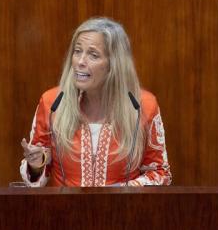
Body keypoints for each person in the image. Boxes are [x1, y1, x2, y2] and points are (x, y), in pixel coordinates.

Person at [20, 17, 171, 187]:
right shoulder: (52, 103)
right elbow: (36, 178)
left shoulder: (143, 106)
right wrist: (36, 165)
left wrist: (121, 190)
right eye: (77, 51)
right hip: (65, 204)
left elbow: (160, 173)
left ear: (114, 64)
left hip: (122, 204)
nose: (80, 62)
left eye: (93, 55)